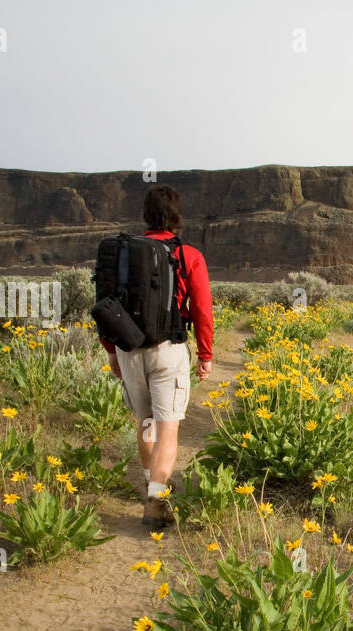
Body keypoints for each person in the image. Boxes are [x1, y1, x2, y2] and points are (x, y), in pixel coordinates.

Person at [100, 184, 213, 529]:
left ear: (146, 215)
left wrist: (112, 351)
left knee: (146, 422)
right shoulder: (188, 255)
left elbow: (106, 304)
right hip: (168, 350)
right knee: (168, 429)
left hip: (129, 347)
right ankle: (155, 499)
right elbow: (202, 309)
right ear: (177, 217)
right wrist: (205, 355)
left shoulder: (124, 254)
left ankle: (153, 485)